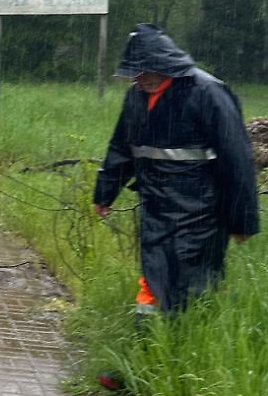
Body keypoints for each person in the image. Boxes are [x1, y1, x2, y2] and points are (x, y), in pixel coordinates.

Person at [93, 24, 259, 390]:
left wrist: (241, 220)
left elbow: (237, 160)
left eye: (145, 72)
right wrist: (105, 193)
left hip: (201, 213)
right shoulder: (136, 97)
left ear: (165, 65)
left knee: (188, 289)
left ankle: (179, 368)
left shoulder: (207, 92)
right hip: (155, 209)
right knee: (153, 283)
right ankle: (142, 365)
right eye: (135, 74)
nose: (140, 79)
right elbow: (122, 147)